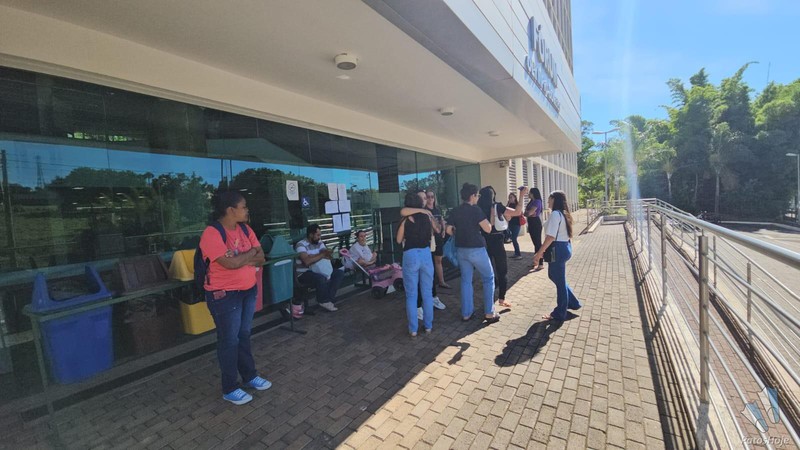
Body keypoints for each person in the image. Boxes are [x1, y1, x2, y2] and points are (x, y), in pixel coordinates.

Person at [199, 191, 270, 406]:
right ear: (231, 210)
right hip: (224, 295)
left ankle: (249, 376)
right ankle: (230, 388)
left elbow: (262, 257)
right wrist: (249, 255)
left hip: (248, 290)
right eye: (244, 206)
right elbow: (230, 264)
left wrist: (241, 258)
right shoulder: (212, 233)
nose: (247, 210)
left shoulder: (246, 229)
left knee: (243, 335)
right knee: (229, 340)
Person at [446, 183, 498, 323]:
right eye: (477, 195)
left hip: (461, 250)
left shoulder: (455, 210)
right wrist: (492, 217)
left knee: (466, 281)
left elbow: (448, 230)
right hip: (476, 249)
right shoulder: (476, 210)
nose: (478, 197)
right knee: (488, 277)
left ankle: (466, 313)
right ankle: (489, 312)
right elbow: (488, 229)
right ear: (473, 196)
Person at [532, 190, 582, 321]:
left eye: (549, 199)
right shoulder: (563, 213)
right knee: (555, 277)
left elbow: (551, 237)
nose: (548, 201)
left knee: (559, 281)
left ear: (554, 200)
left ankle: (560, 313)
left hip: (557, 249)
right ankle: (573, 302)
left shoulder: (555, 214)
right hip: (563, 247)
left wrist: (539, 253)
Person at [477, 185, 527, 308]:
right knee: (502, 270)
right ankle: (501, 299)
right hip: (497, 241)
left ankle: (488, 302)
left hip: (483, 242)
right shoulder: (497, 206)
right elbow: (517, 212)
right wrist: (521, 196)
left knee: (487, 273)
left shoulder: (477, 208)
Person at [397, 192, 435, 336]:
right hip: (425, 253)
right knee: (427, 293)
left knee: (411, 295)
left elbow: (399, 240)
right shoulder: (426, 216)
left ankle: (413, 329)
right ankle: (428, 326)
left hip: (410, 254)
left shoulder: (405, 219)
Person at [296, 224, 344, 312]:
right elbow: (307, 261)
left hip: (318, 268)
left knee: (338, 273)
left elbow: (328, 256)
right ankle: (324, 300)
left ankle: (328, 298)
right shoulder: (301, 245)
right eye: (317, 235)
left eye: (320, 235)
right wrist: (321, 255)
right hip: (304, 272)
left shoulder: (319, 242)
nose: (319, 237)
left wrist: (314, 256)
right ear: (311, 235)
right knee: (320, 278)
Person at [426, 190, 451, 289]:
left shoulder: (437, 209)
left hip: (438, 237)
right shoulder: (424, 210)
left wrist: (444, 230)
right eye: (428, 197)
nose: (430, 199)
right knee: (429, 261)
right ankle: (430, 284)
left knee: (438, 260)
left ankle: (441, 281)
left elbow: (442, 220)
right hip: (429, 238)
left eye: (432, 196)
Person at [526, 187, 545, 271]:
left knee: (538, 243)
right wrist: (528, 213)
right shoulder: (531, 202)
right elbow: (527, 213)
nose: (528, 194)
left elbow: (529, 213)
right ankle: (535, 261)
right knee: (535, 243)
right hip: (531, 222)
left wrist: (528, 213)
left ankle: (540, 263)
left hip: (535, 223)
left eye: (530, 193)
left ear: (533, 193)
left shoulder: (537, 201)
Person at [506, 192, 523, 259]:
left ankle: (518, 254)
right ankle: (516, 253)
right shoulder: (509, 205)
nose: (510, 199)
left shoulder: (517, 205)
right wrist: (508, 204)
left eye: (511, 197)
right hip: (511, 223)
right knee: (512, 238)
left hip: (516, 224)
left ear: (515, 198)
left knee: (514, 238)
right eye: (509, 197)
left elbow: (519, 212)